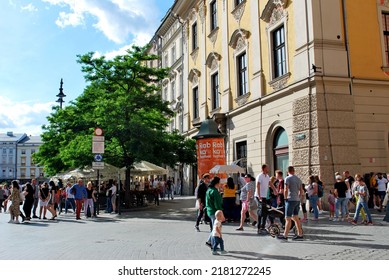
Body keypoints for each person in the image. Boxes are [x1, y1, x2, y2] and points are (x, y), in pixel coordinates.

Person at [277, 166, 304, 241]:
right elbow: (301, 190)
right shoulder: (298, 179)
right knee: (295, 217)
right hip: (297, 200)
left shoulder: (287, 178)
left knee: (287, 218)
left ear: (287, 171)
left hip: (290, 200)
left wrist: (285, 198)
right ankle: (300, 234)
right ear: (293, 171)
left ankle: (285, 235)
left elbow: (285, 189)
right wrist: (299, 198)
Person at [205, 176, 223, 248]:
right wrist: (220, 212)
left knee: (214, 228)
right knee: (215, 229)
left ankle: (210, 242)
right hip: (215, 212)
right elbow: (217, 203)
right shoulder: (215, 191)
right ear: (217, 183)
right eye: (219, 182)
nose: (220, 184)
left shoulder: (209, 190)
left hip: (209, 211)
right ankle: (212, 243)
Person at [255, 164, 271, 234]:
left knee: (265, 211)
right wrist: (259, 195)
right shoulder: (260, 176)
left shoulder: (267, 176)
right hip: (259, 196)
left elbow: (270, 183)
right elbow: (257, 185)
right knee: (261, 211)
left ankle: (263, 227)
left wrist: (275, 190)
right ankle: (259, 227)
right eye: (267, 168)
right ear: (264, 169)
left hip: (265, 196)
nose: (268, 169)